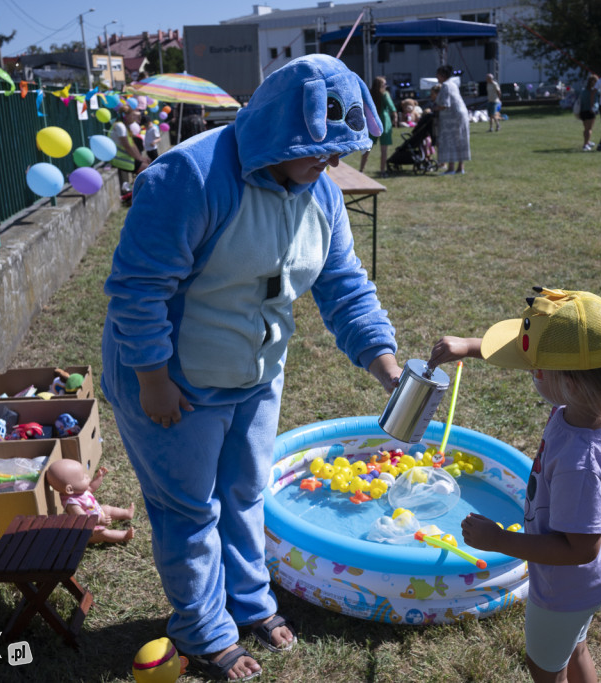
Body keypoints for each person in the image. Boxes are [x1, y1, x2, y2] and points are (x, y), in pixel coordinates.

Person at [100, 54, 403, 682]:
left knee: (244, 492)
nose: (331, 167)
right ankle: (202, 630)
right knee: (189, 510)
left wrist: (389, 369)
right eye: (321, 153)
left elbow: (344, 286)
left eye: (337, 155)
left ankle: (250, 602)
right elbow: (138, 290)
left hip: (256, 374)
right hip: (172, 381)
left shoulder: (318, 189)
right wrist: (153, 380)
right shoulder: (189, 176)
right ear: (282, 134)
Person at [428, 287, 601, 683]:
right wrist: (470, 347)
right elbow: (537, 358)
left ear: (570, 383)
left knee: (545, 665)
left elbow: (580, 548)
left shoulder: (580, 462)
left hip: (564, 587)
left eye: (538, 368)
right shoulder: (596, 402)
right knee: (575, 647)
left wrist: (499, 540)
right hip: (591, 579)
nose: (532, 372)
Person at [45, 460, 136, 544]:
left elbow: (91, 488)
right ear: (69, 489)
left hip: (97, 513)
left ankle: (127, 513)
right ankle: (124, 536)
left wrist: (99, 478)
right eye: (83, 478)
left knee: (107, 508)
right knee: (103, 533)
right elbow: (84, 519)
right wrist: (99, 520)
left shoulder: (78, 489)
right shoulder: (72, 503)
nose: (87, 476)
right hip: (89, 530)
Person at [432, 64, 470, 175]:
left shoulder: (445, 86)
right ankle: (460, 167)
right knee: (460, 140)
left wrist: (434, 108)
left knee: (450, 141)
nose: (436, 77)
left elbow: (445, 104)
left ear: (442, 75)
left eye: (438, 75)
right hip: (461, 115)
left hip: (452, 117)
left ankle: (451, 168)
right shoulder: (453, 84)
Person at [359, 75, 398, 177]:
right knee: (384, 150)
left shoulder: (369, 94)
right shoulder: (385, 95)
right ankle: (382, 171)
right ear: (381, 85)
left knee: (367, 149)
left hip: (372, 122)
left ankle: (361, 170)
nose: (386, 86)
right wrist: (395, 118)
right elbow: (392, 108)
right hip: (384, 122)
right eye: (384, 84)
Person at [111, 104, 150, 191]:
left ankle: (136, 189)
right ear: (125, 116)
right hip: (121, 160)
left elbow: (132, 145)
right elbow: (128, 146)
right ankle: (136, 191)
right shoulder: (120, 126)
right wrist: (140, 160)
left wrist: (141, 158)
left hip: (127, 158)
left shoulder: (124, 127)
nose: (134, 118)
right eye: (132, 115)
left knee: (148, 164)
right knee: (148, 170)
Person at [578, 75, 599, 151]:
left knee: (586, 129)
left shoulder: (583, 91)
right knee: (589, 129)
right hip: (590, 111)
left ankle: (588, 142)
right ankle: (585, 144)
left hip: (583, 111)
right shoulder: (595, 91)